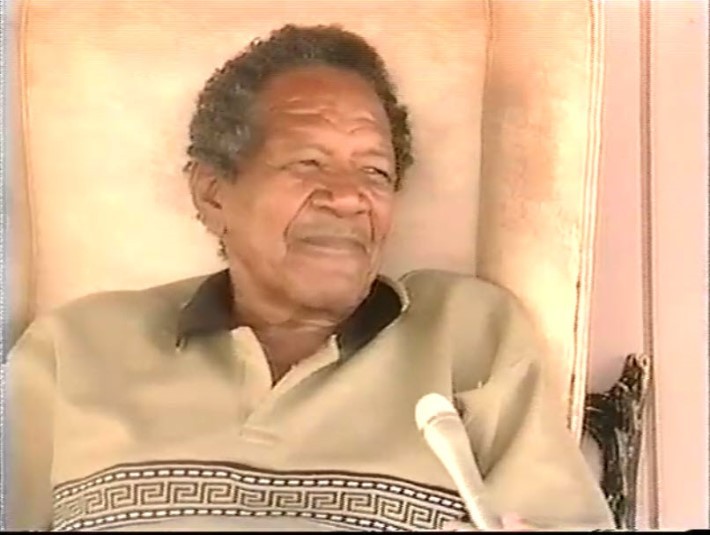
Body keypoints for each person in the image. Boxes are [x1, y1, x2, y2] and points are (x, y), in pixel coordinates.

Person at [5, 24, 614, 532]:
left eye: (375, 172)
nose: (348, 197)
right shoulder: (76, 347)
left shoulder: (469, 334)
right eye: (308, 163)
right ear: (213, 194)